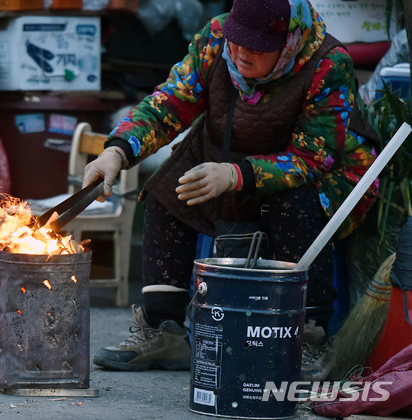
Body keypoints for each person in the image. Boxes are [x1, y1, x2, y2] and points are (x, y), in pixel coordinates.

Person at [83, 0, 379, 371]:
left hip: (321, 175)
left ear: (287, 43)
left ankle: (309, 337)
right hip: (229, 151)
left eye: (256, 48)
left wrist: (235, 175)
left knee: (295, 204)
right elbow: (170, 102)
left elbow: (314, 157)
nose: (239, 54)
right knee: (167, 190)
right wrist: (117, 152)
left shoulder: (328, 63)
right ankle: (165, 331)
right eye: (237, 41)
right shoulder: (216, 38)